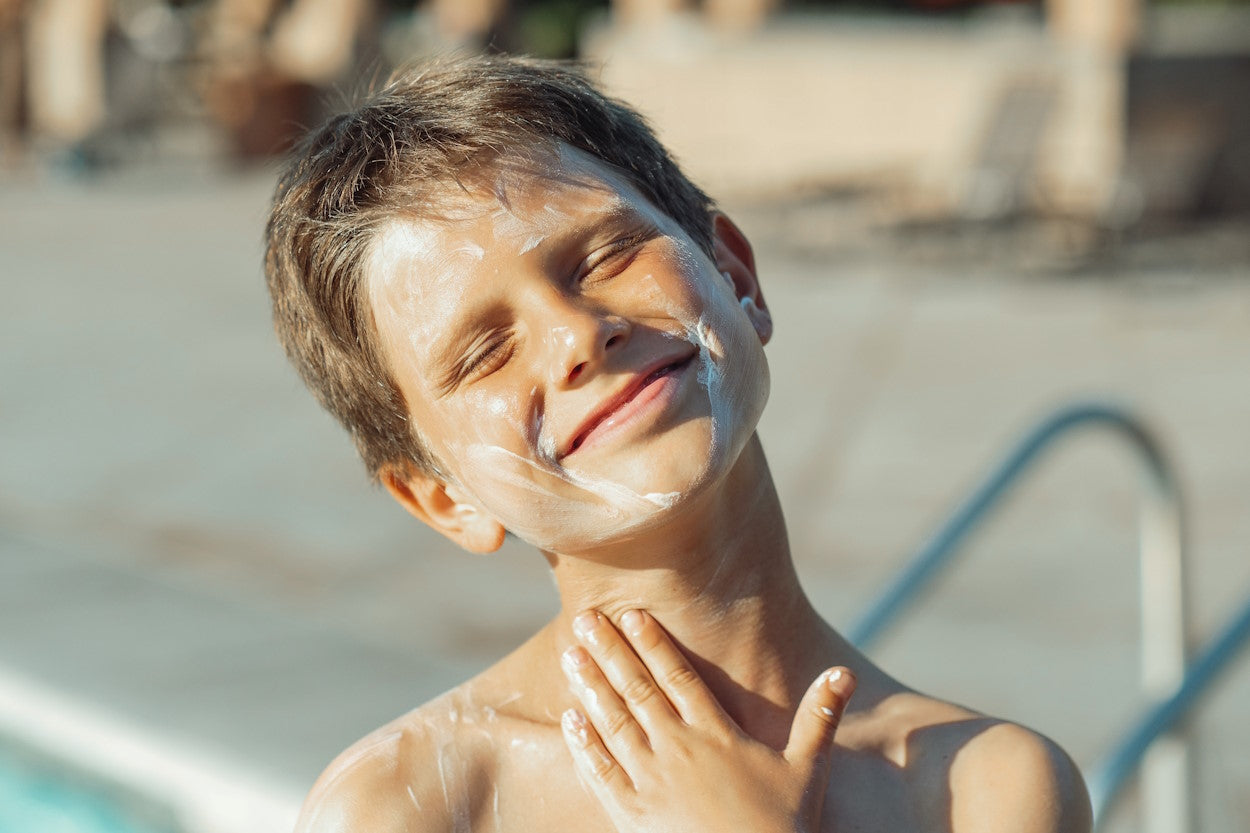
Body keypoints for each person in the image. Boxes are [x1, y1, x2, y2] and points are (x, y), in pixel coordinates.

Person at [264, 54, 1091, 833]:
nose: (577, 335)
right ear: (443, 495)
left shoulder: (984, 788)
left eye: (607, 254)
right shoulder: (413, 802)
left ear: (736, 274)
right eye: (483, 352)